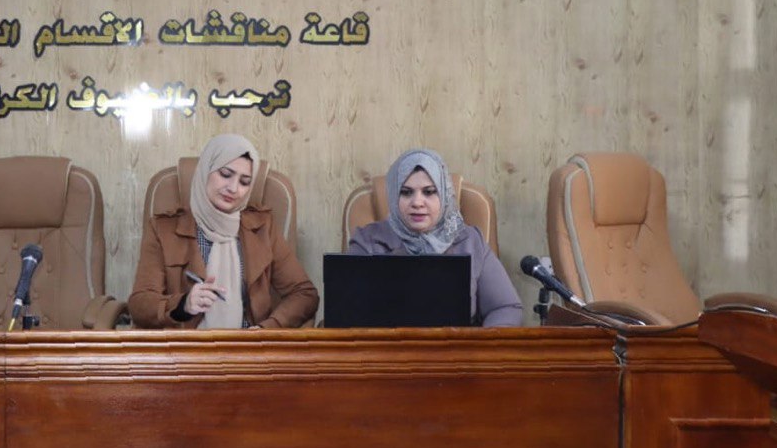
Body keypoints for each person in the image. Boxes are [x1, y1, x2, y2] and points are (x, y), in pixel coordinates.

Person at [129, 133, 319, 329]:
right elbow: (140, 304)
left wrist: (267, 329)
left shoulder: (262, 227)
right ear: (206, 170)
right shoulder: (164, 229)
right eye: (226, 174)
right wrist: (183, 304)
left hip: (249, 344)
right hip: (188, 345)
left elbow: (305, 294)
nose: (233, 188)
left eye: (245, 182)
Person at [347, 149, 523, 327]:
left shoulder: (470, 241)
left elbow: (505, 308)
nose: (417, 202)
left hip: (457, 344)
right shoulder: (367, 241)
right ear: (393, 196)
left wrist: (479, 343)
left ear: (444, 195)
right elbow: (348, 311)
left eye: (429, 192)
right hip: (386, 343)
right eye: (406, 192)